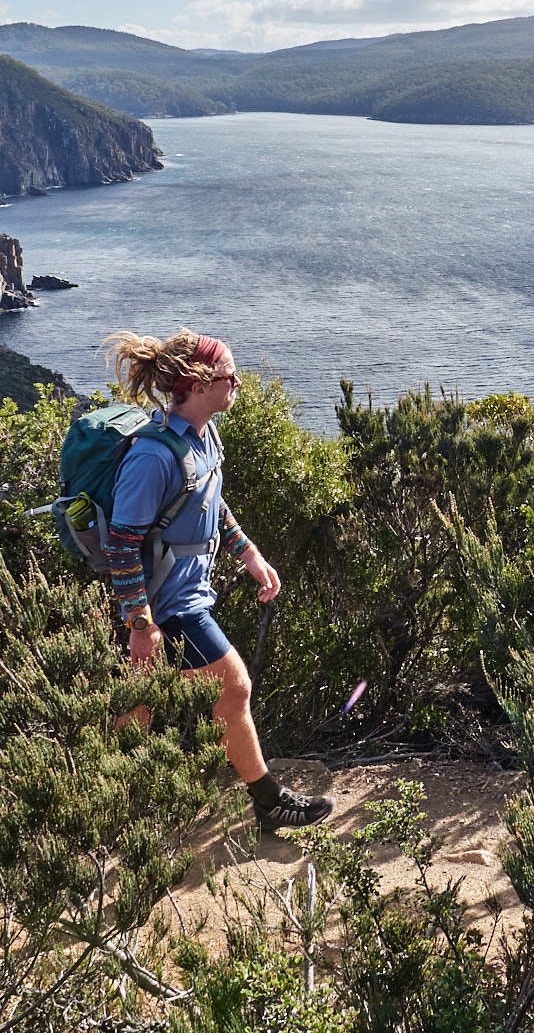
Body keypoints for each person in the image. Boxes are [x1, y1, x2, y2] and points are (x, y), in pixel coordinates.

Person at [101, 328, 333, 832]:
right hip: (168, 605)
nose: (238, 384)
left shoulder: (204, 436)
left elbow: (208, 501)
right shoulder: (151, 456)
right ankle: (270, 801)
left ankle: (98, 798)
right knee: (235, 690)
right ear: (200, 382)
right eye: (230, 375)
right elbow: (121, 542)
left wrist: (248, 552)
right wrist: (141, 624)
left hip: (184, 596)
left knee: (141, 703)